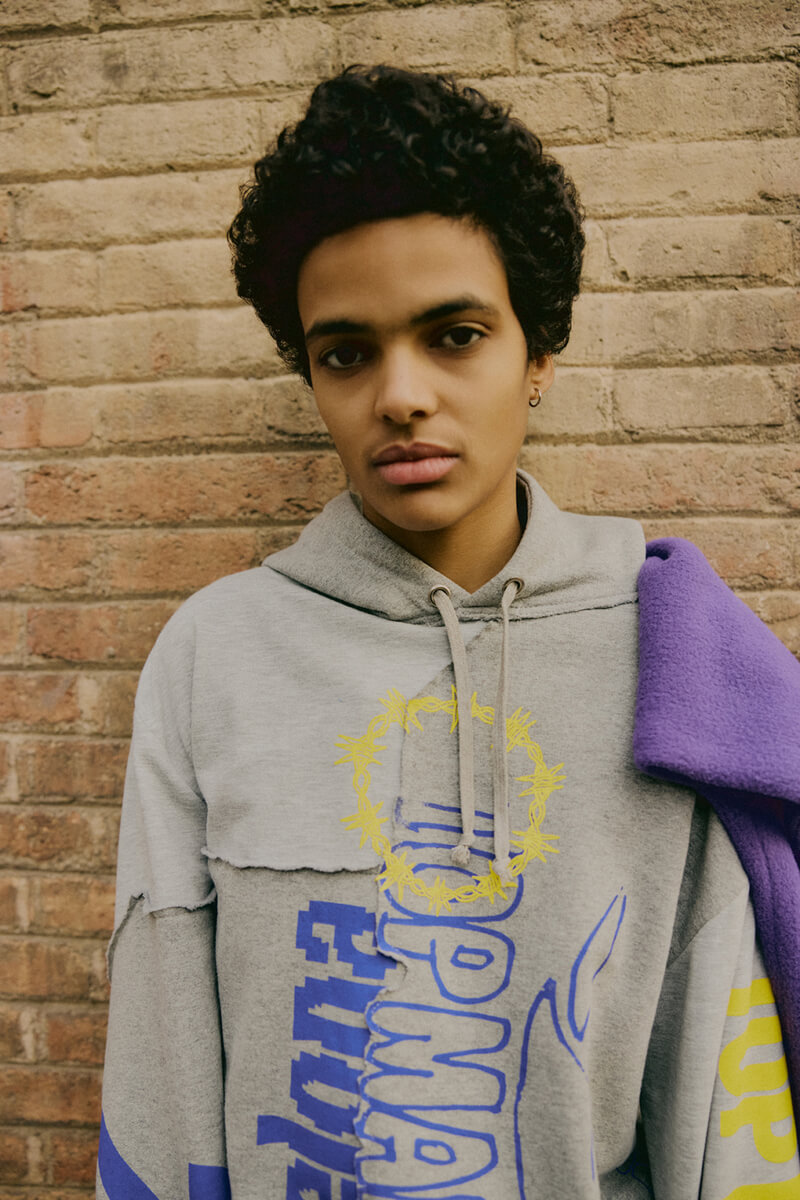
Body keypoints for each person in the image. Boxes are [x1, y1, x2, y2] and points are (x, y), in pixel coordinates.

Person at [96, 64, 800, 1199]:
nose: (401, 395)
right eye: (345, 353)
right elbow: (164, 1046)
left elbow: (722, 1078)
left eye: (456, 335)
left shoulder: (669, 654)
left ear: (539, 355)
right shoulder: (213, 657)